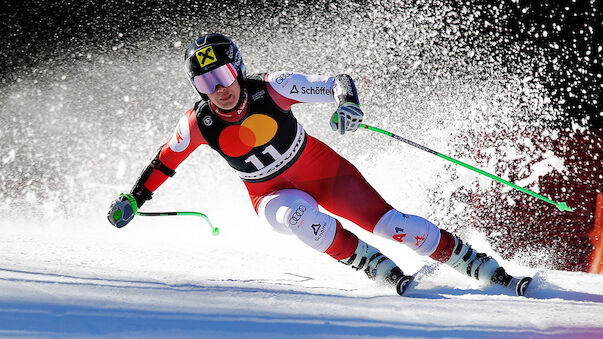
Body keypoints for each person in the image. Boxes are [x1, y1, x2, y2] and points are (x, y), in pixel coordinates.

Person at [107, 33, 531, 296]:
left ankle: (481, 268)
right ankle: (370, 265)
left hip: (321, 168)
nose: (215, 90)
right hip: (269, 193)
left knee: (394, 225)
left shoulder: (272, 88)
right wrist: (134, 198)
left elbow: (337, 84)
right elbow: (164, 162)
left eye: (220, 77)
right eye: (203, 83)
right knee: (297, 217)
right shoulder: (197, 122)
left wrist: (349, 106)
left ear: (237, 69)